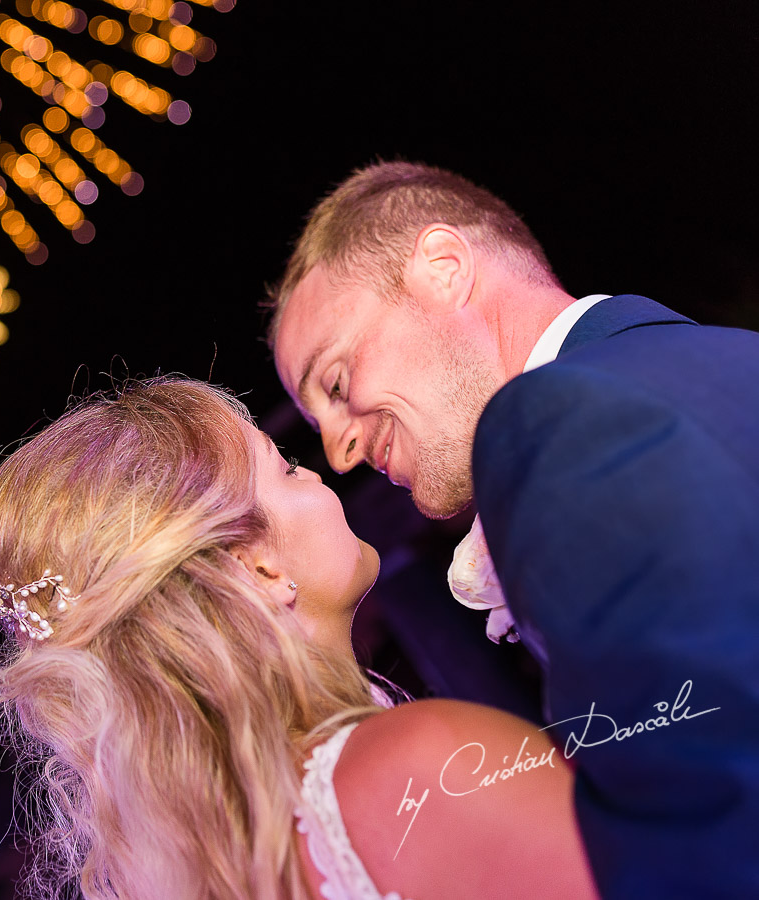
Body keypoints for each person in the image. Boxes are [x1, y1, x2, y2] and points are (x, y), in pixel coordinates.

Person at [267, 161, 759, 898]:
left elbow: (714, 818)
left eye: (336, 384)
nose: (338, 451)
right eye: (317, 424)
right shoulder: (697, 362)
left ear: (443, 268)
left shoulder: (557, 423)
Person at [0, 377, 597, 900]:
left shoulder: (216, 868)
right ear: (258, 568)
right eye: (287, 467)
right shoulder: (421, 765)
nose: (322, 473)